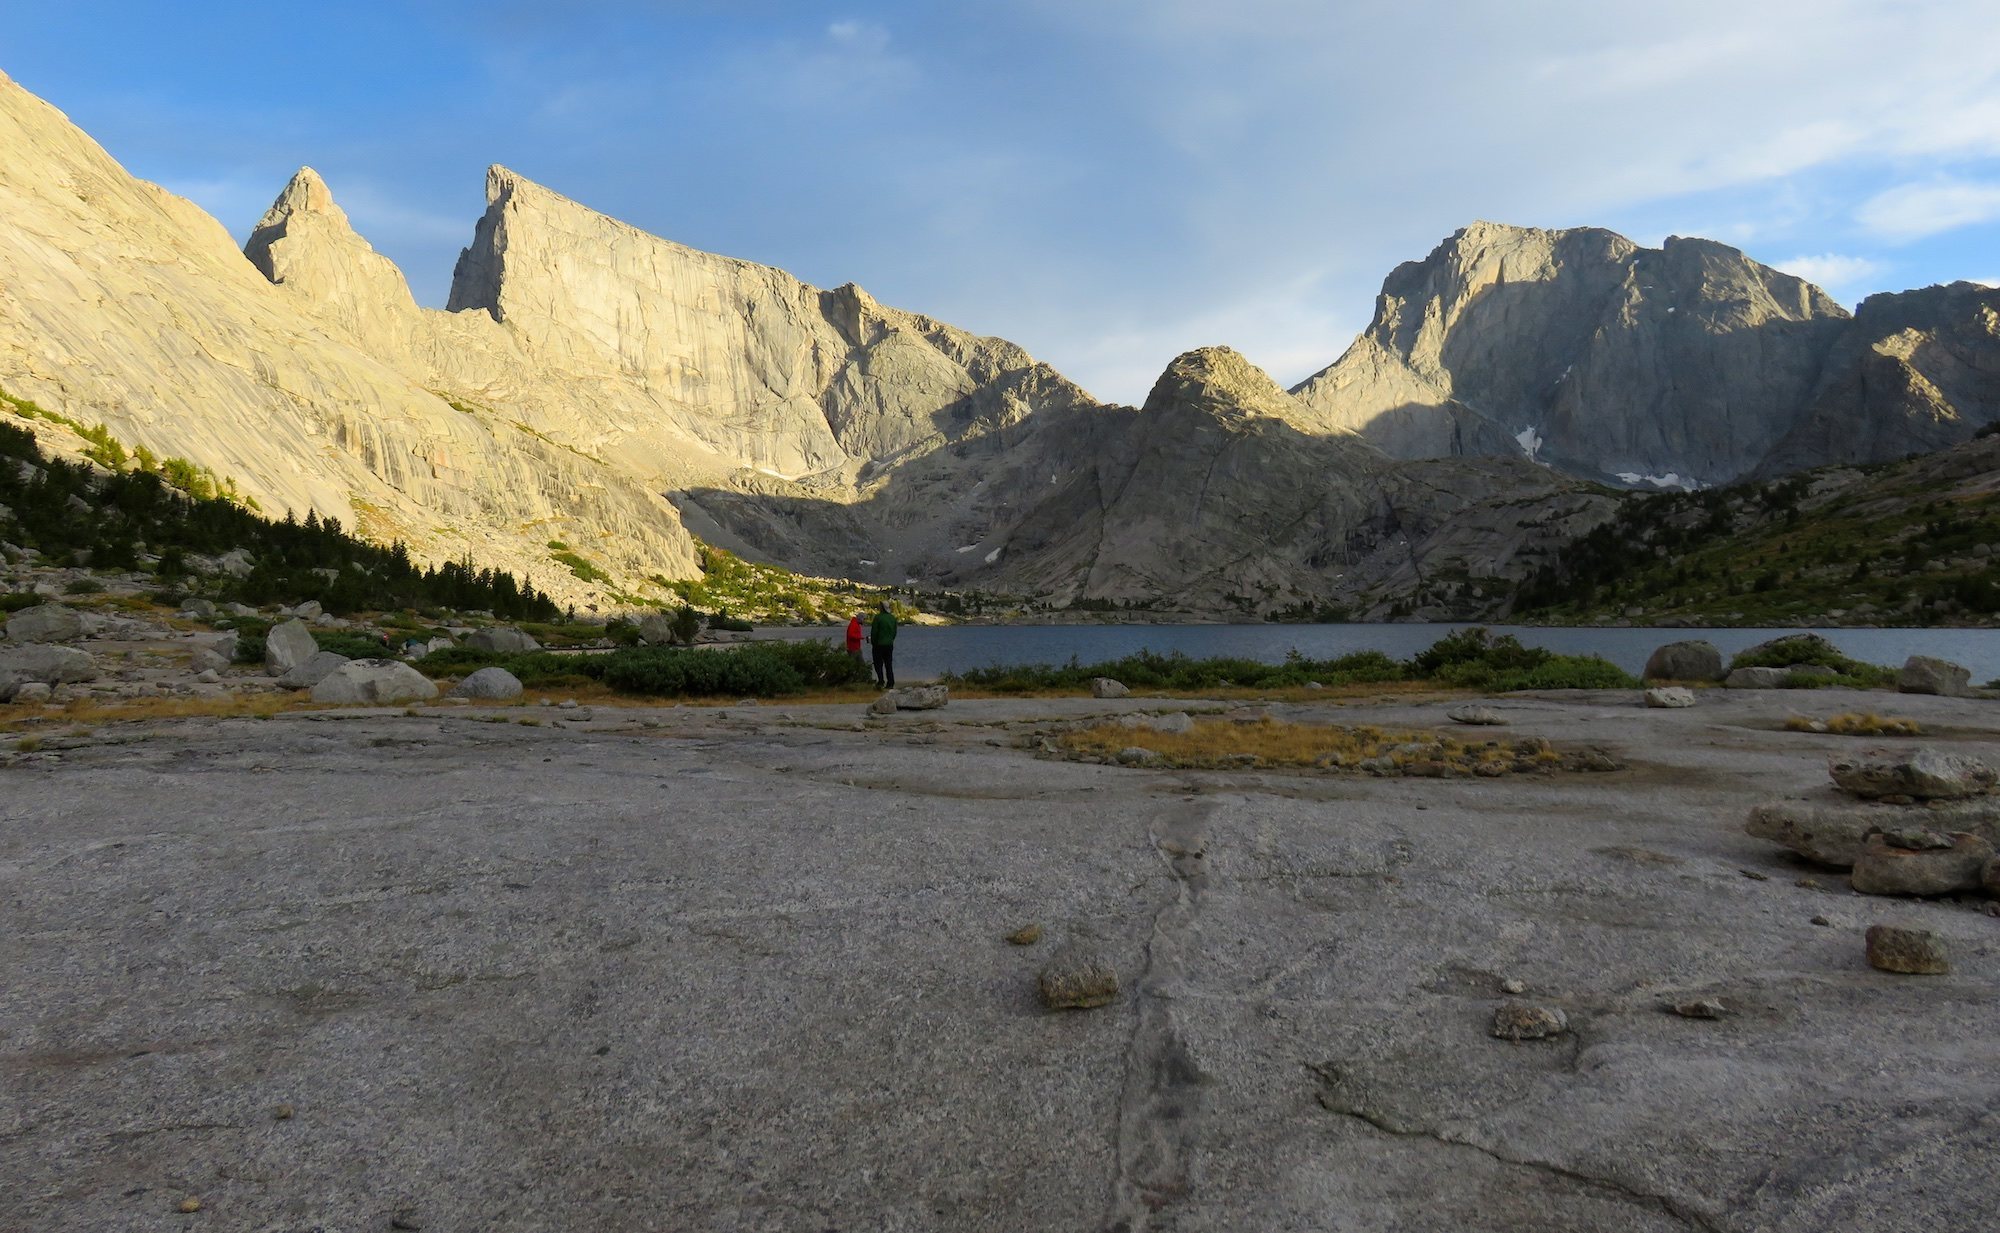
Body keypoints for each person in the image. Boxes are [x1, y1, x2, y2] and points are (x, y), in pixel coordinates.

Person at [869, 600, 898, 689]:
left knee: (878, 664)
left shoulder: (878, 618)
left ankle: (881, 681)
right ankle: (891, 682)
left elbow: (874, 632)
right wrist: (890, 640)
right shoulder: (893, 618)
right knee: (888, 664)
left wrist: (873, 642)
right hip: (889, 644)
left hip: (879, 644)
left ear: (882, 607)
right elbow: (894, 632)